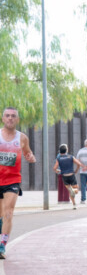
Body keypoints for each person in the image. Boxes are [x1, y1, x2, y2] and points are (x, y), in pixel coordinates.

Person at [0, 107, 36, 259]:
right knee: (1, 214)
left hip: (13, 180)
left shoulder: (22, 138)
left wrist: (31, 157)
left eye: (13, 116)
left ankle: (2, 246)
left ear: (17, 119)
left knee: (8, 212)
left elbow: (28, 152)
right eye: (7, 116)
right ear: (3, 118)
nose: (10, 118)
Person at [53, 144, 81, 209]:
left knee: (70, 191)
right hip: (71, 175)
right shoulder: (71, 157)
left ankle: (74, 204)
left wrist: (57, 171)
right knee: (76, 190)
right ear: (66, 150)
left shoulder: (59, 158)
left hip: (64, 176)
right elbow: (79, 164)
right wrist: (76, 170)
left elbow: (54, 168)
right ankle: (73, 191)